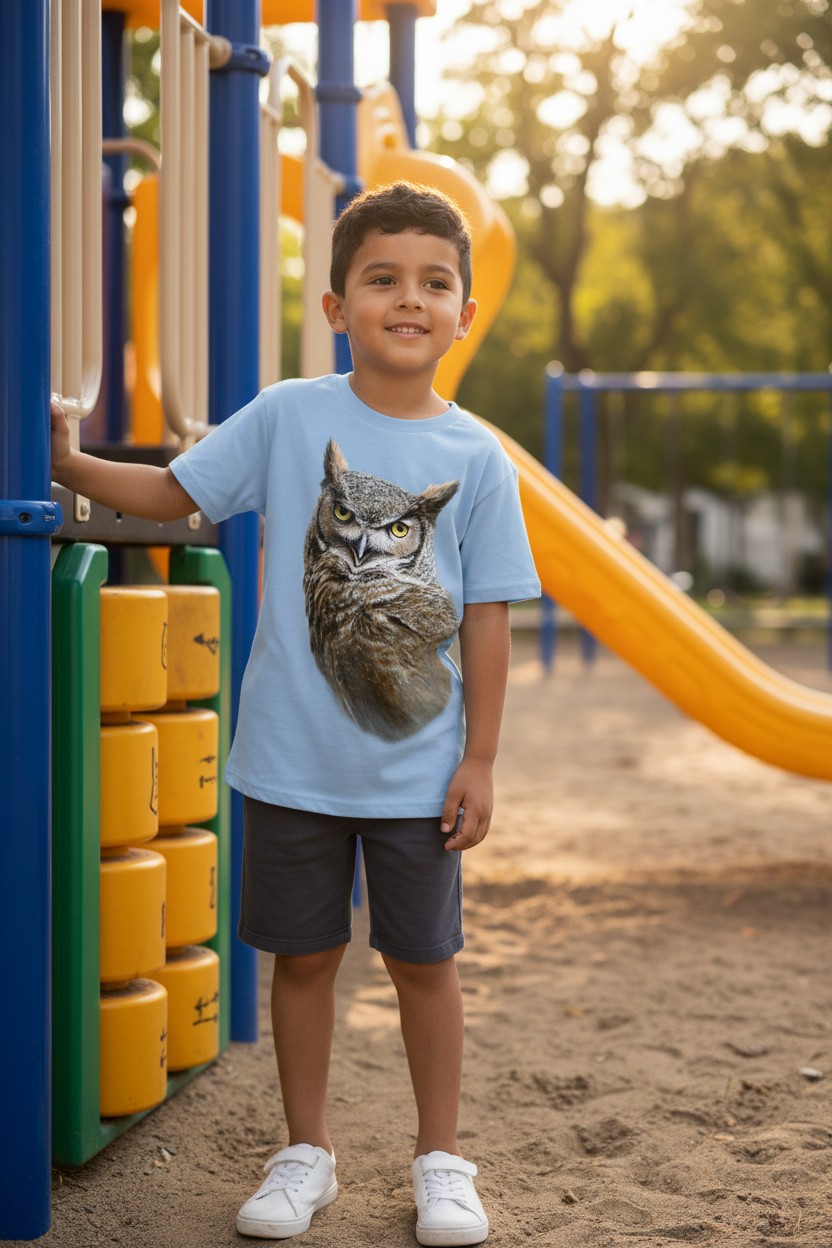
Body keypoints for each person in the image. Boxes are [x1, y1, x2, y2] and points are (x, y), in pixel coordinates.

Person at [51, 181, 540, 1246]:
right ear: (335, 306)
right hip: (289, 761)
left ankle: (440, 1160)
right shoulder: (287, 415)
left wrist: (483, 761)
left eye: (434, 283)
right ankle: (305, 1150)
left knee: (424, 963)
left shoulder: (477, 460)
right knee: (304, 959)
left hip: (419, 772)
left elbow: (490, 618)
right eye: (381, 279)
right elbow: (178, 494)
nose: (407, 299)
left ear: (464, 315)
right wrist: (65, 461)